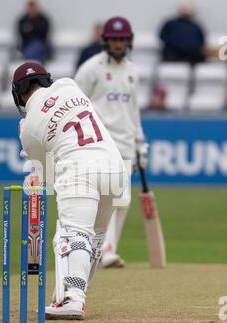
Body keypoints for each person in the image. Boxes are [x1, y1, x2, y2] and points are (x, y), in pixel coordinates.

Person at [12, 61, 129, 320]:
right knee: (95, 238)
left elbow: (45, 174)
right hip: (115, 168)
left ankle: (71, 298)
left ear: (19, 93)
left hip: (79, 169)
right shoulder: (69, 85)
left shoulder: (29, 126)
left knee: (71, 233)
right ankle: (74, 293)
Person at [75, 16, 149, 269]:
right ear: (105, 40)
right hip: (101, 143)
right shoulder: (91, 68)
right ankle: (101, 249)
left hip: (127, 143)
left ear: (129, 41)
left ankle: (108, 249)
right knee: (107, 198)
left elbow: (134, 111)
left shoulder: (132, 71)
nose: (118, 44)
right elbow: (75, 104)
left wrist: (141, 144)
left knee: (123, 200)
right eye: (114, 39)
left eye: (122, 39)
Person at [159, 0, 206, 65]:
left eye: (188, 9)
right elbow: (162, 36)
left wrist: (189, 47)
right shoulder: (170, 23)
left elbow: (201, 41)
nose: (185, 12)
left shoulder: (195, 26)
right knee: (169, 54)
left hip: (190, 54)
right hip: (173, 52)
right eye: (184, 9)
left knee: (200, 56)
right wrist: (176, 44)